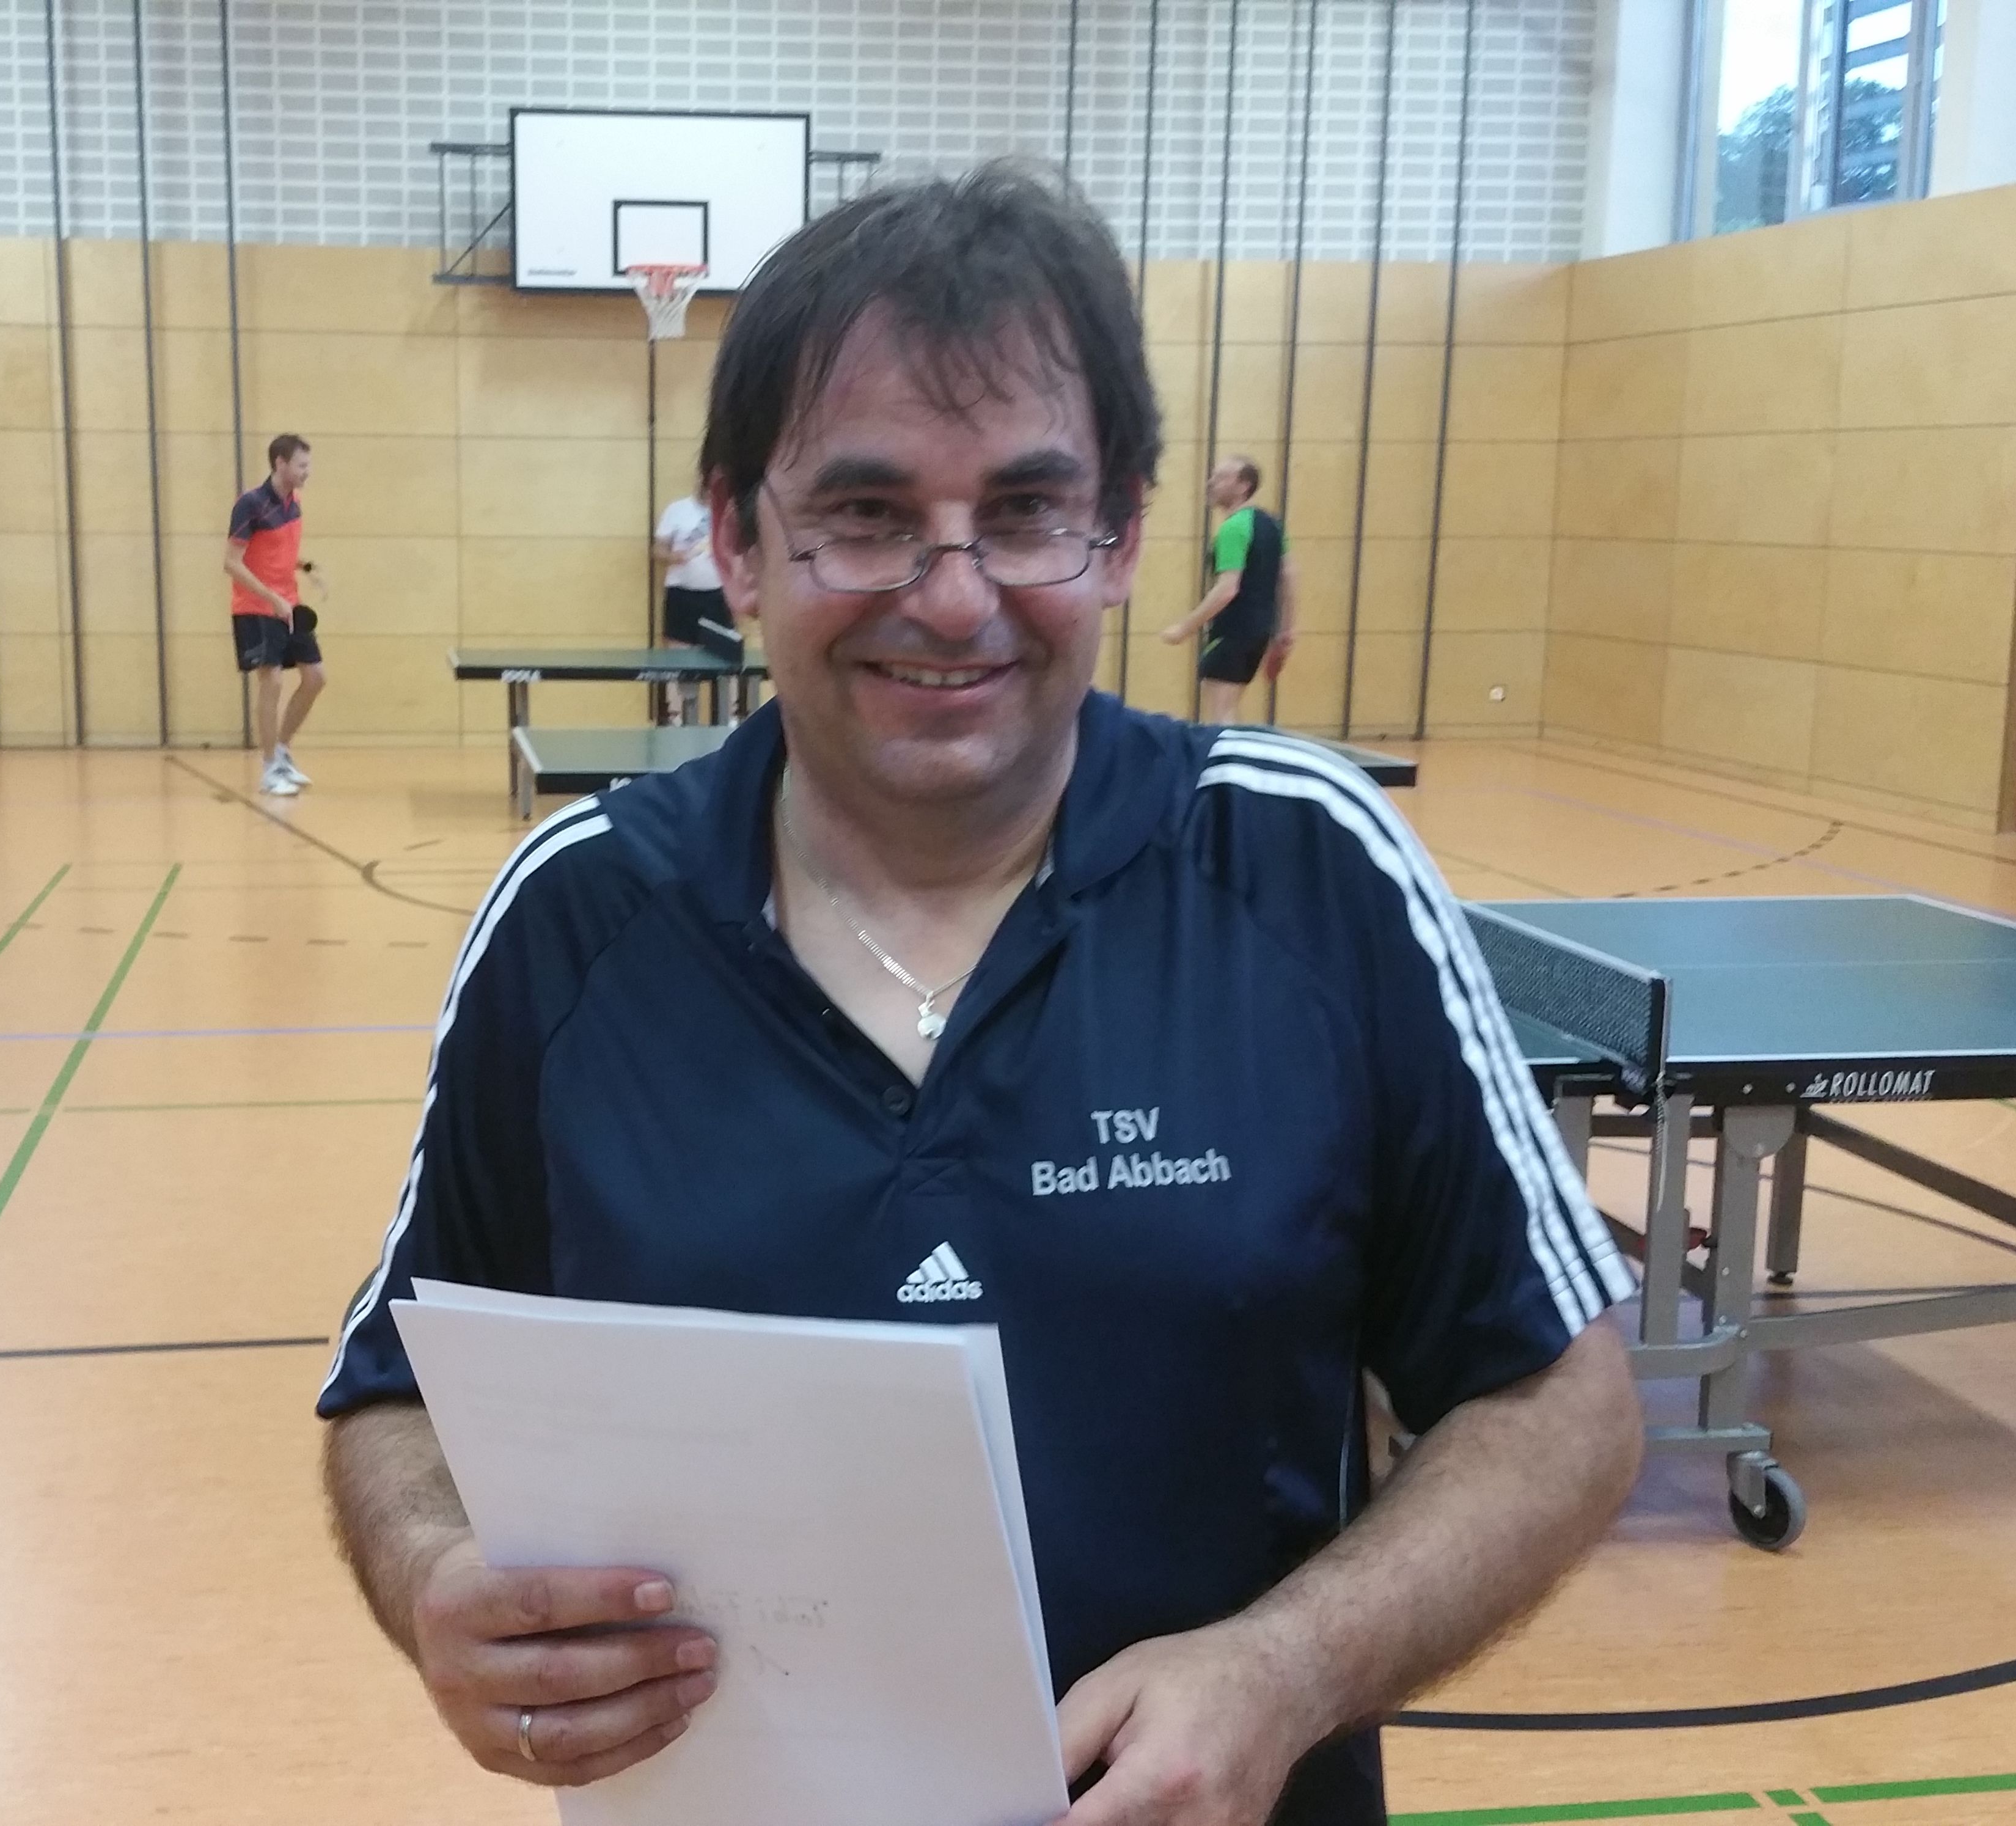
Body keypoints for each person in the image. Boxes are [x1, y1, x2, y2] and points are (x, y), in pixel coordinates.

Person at [316, 166, 1640, 1826]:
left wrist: (1287, 1666)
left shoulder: (1312, 872)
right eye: (865, 515)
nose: (951, 596)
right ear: (736, 537)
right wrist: (436, 1575)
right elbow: (395, 1390)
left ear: (1122, 532)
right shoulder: (575, 919)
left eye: (1024, 512)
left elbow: (1560, 1394)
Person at [225, 434, 326, 794]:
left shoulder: (293, 503)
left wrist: (306, 566)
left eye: (308, 465)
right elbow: (232, 563)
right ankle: (269, 769)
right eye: (301, 465)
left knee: (315, 677)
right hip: (255, 608)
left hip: (289, 604)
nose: (307, 472)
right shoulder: (250, 504)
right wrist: (270, 597)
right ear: (280, 464)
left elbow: (275, 552)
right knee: (273, 681)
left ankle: (282, 751)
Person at [1160, 457, 1292, 725]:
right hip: (1259, 634)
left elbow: (1227, 589)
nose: (1211, 483)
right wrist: (1286, 632)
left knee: (1222, 718)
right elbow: (1289, 576)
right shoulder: (1272, 525)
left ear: (1243, 486)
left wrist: (1184, 629)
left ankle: (1228, 755)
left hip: (1233, 633)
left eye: (1221, 478)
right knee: (1229, 710)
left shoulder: (1234, 528)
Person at [653, 491, 738, 722]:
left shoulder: (730, 511)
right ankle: (678, 717)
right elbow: (657, 550)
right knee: (679, 660)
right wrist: (673, 557)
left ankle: (730, 719)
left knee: (726, 658)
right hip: (681, 594)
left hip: (718, 595)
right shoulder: (677, 510)